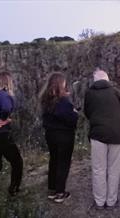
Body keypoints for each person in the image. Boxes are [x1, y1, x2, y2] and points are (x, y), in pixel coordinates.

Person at [84, 70, 120, 209]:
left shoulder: (90, 93)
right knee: (114, 169)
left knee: (98, 169)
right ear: (107, 80)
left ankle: (99, 201)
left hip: (98, 134)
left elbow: (87, 112)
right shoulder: (116, 92)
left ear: (95, 80)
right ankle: (111, 201)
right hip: (118, 134)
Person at [40, 72, 78, 203]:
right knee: (63, 163)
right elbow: (71, 119)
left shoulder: (46, 99)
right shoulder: (62, 101)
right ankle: (60, 193)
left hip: (50, 134)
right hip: (64, 135)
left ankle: (52, 188)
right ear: (60, 84)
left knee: (54, 160)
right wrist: (74, 112)